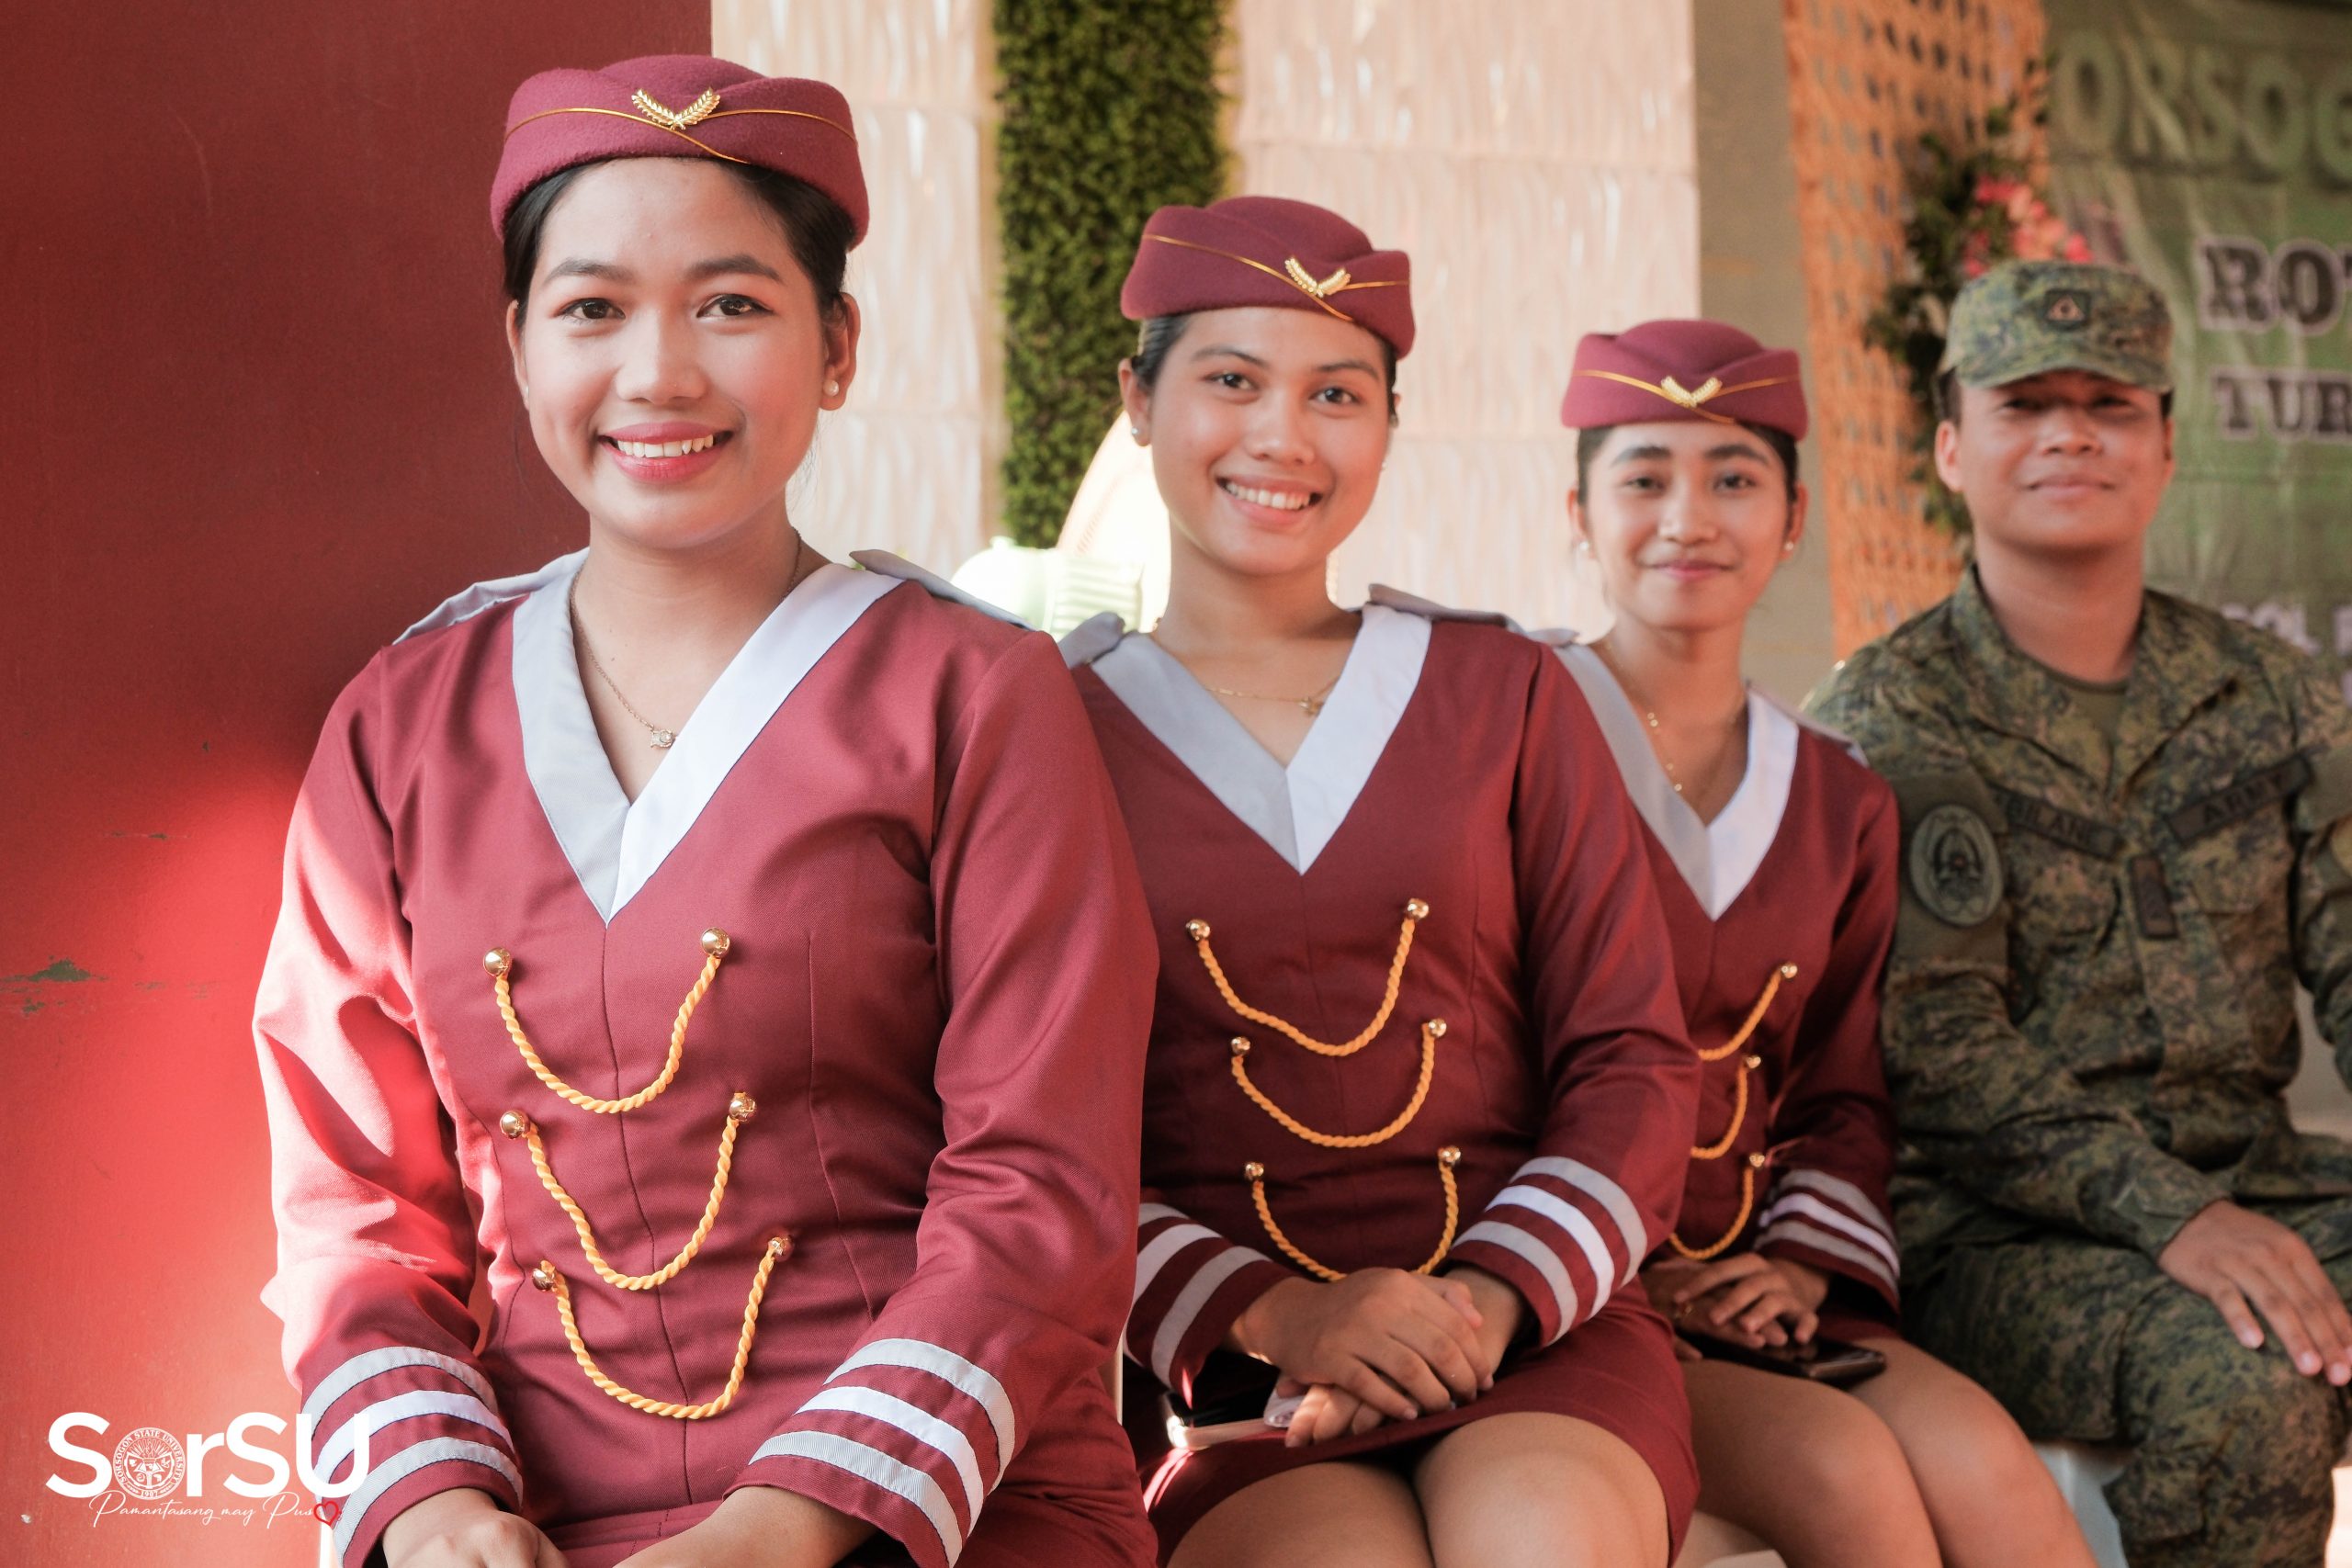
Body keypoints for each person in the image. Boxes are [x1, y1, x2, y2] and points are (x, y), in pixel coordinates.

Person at [253, 54, 1159, 1568]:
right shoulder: (400, 725)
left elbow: (1042, 1185)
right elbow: (353, 1208)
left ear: (838, 346)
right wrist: (436, 1511)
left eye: (731, 305)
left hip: (939, 1510)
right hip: (530, 1526)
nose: (660, 374)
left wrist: (781, 1529)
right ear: (520, 347)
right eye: (593, 309)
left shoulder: (977, 695)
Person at [1062, 195, 1702, 1568]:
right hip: (1233, 1369)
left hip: (1537, 1330)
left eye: (1337, 394)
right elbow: (1031, 1133)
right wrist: (1284, 1316)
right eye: (1232, 381)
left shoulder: (1504, 690)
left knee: (1538, 1544)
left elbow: (1635, 1061)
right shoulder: (1044, 730)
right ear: (1138, 401)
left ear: (1389, 426)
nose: (1284, 437)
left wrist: (1479, 1304)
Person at [1808, 258, 2352, 1568]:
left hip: (2260, 1183)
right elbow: (1938, 1049)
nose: (2070, 435)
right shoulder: (1890, 713)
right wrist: (2174, 1216)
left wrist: (2217, 1215)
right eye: (2025, 405)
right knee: (2244, 1386)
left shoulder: (2273, 692)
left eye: (2110, 405)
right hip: (1999, 1239)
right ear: (1952, 448)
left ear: (2167, 447)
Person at [1555, 320, 2097, 1568]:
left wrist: (1799, 1268)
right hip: (1578, 1291)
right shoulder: (1510, 737)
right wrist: (1607, 1268)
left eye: (1734, 478)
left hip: (1763, 1291)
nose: (1688, 519)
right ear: (1578, 512)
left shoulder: (1839, 792)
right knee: (1850, 1475)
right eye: (1644, 477)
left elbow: (1841, 1092)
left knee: (1990, 1467)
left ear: (1794, 518)